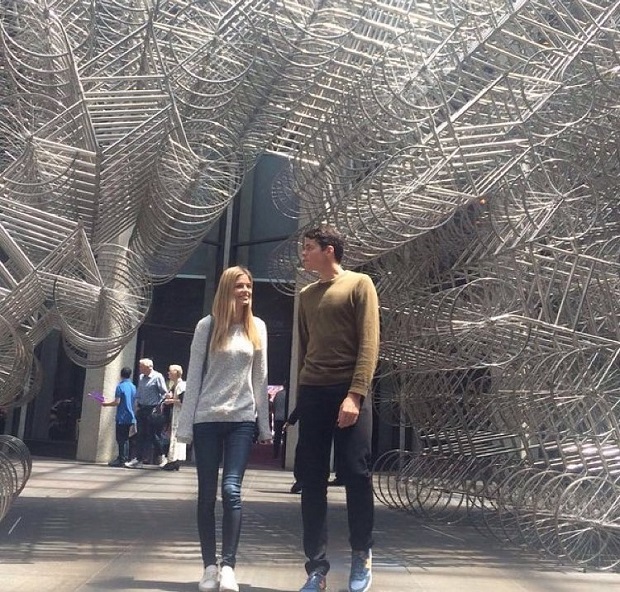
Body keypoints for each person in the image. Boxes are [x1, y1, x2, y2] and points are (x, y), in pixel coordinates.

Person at [295, 224, 380, 592]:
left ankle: (361, 554)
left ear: (329, 250)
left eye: (309, 247)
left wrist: (355, 395)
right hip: (313, 391)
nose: (304, 254)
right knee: (311, 480)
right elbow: (305, 347)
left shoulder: (360, 284)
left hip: (348, 391)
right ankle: (316, 567)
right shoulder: (306, 295)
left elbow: (369, 343)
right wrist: (301, 397)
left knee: (355, 473)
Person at [177, 265, 272, 592]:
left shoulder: (256, 326)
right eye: (240, 287)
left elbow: (260, 378)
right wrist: (184, 427)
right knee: (206, 494)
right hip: (207, 419)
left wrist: (265, 424)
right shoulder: (207, 326)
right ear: (227, 289)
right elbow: (194, 376)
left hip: (241, 421)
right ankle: (208, 567)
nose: (246, 292)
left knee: (230, 489)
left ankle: (228, 566)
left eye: (249, 287)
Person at [125, 358, 168, 469]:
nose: (139, 368)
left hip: (152, 409)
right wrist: (136, 406)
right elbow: (139, 393)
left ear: (149, 367)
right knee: (140, 435)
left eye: (141, 366)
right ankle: (138, 458)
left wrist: (159, 405)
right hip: (142, 408)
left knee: (153, 435)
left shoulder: (157, 377)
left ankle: (162, 456)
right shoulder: (141, 378)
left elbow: (164, 393)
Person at [101, 367, 136, 467]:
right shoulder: (133, 386)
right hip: (130, 416)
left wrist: (106, 404)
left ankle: (121, 459)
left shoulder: (120, 387)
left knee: (120, 438)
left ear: (121, 374)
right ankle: (125, 457)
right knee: (126, 438)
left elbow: (117, 402)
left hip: (122, 416)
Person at [160, 364, 186, 471]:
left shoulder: (181, 385)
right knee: (173, 436)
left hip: (179, 414)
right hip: (174, 414)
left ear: (176, 373)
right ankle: (173, 459)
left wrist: (171, 401)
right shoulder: (173, 385)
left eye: (170, 371)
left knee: (176, 436)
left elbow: (183, 400)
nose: (168, 373)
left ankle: (175, 459)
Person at [271, 382, 288, 459]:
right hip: (286, 417)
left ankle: (275, 453)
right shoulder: (289, 395)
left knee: (277, 436)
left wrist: (275, 414)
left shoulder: (278, 394)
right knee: (286, 436)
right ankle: (285, 453)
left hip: (278, 417)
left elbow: (274, 405)